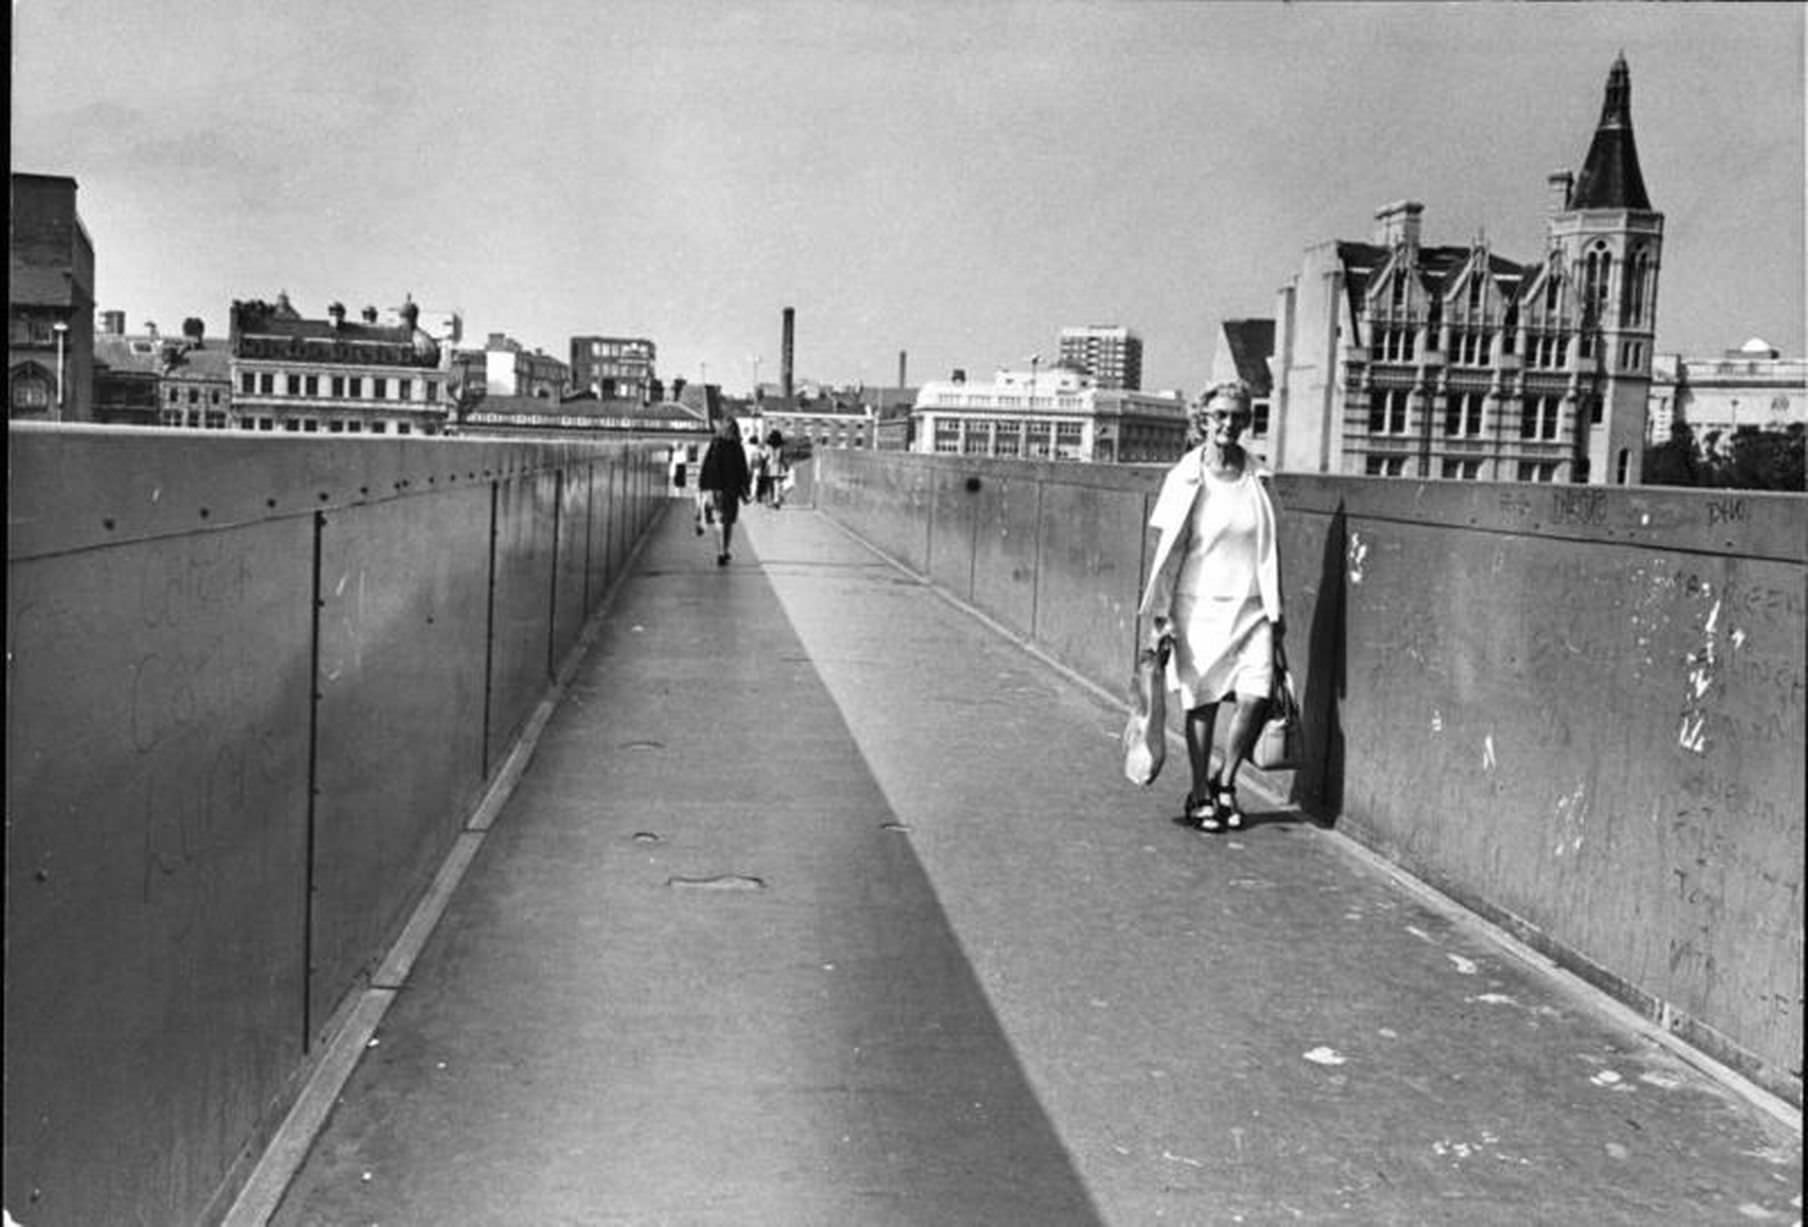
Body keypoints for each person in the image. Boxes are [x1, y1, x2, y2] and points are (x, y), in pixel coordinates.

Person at [1136, 379, 1283, 833]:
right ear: (1203, 419)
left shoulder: (1259, 476)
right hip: (1197, 606)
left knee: (1257, 697)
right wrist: (1161, 616)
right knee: (1203, 702)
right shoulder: (1183, 477)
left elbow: (1271, 548)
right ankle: (1200, 791)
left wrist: (1280, 612)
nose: (1229, 424)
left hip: (1254, 606)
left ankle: (1226, 781)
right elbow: (1164, 551)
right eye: (1220, 415)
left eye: (1238, 416)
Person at [698, 413, 752, 565]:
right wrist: (745, 488)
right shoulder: (737, 447)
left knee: (718, 521)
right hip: (731, 489)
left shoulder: (715, 444)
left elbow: (707, 466)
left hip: (716, 488)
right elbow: (742, 469)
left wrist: (704, 486)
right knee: (728, 521)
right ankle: (725, 550)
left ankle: (720, 551)